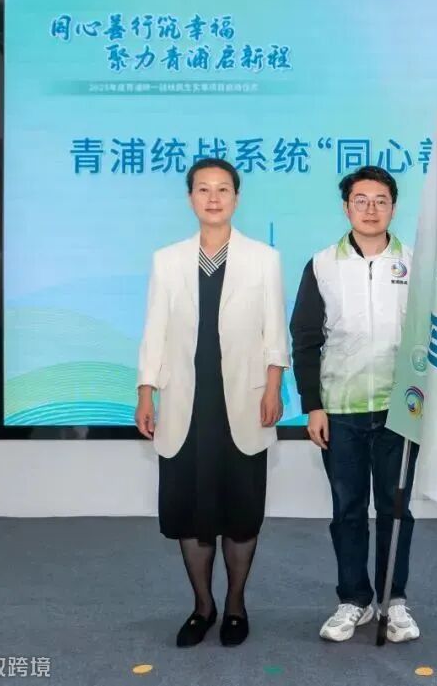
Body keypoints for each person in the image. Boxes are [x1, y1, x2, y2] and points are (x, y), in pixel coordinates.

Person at [135, 157, 289, 648]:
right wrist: (145, 390)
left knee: (240, 513)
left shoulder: (263, 258)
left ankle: (236, 605)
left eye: (223, 189)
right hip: (186, 404)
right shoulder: (167, 260)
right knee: (191, 513)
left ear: (236, 198)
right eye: (203, 189)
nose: (214, 198)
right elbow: (155, 330)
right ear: (190, 199)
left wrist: (273, 387)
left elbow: (274, 332)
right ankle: (203, 607)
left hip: (242, 402)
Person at [289, 165, 420, 643]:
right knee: (347, 509)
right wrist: (313, 405)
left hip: (400, 410)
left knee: (395, 508)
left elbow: (431, 337)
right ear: (346, 208)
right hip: (340, 409)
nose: (371, 209)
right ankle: (354, 600)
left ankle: (394, 600)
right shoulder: (323, 265)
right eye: (360, 200)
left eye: (380, 200)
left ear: (393, 208)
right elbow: (305, 339)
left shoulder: (415, 263)